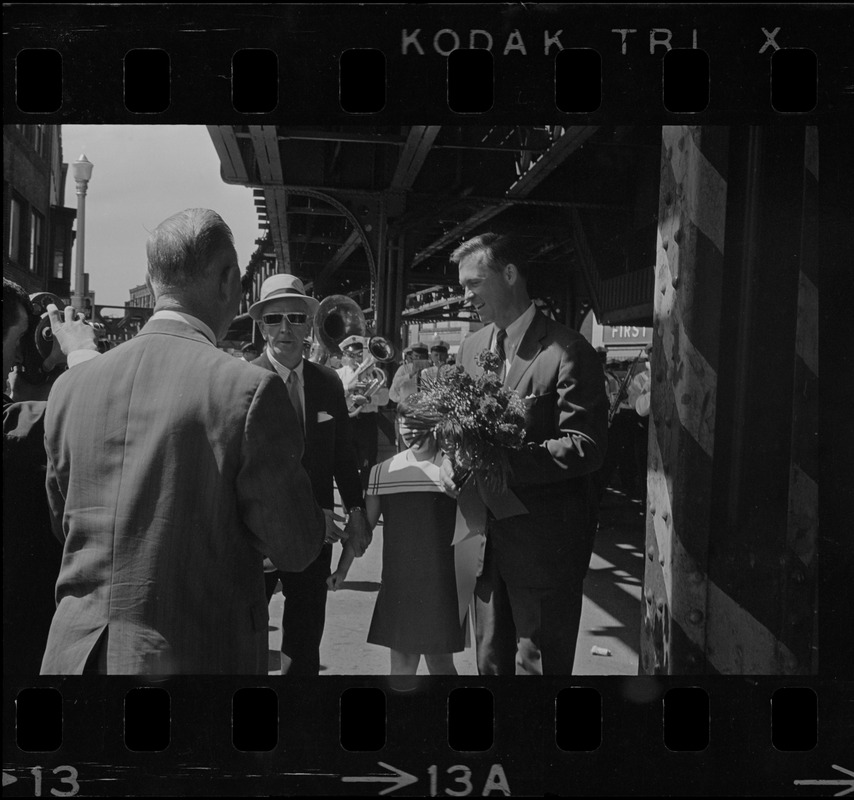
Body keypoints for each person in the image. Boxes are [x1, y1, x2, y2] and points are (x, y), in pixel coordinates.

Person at [40, 208, 326, 675]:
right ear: (229, 280)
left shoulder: (70, 388)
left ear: (153, 281)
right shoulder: (247, 390)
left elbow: (65, 523)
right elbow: (295, 545)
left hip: (76, 657)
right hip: (195, 656)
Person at [440, 233, 608, 676]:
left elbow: (585, 447)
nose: (465, 297)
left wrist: (499, 464)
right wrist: (451, 457)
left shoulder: (569, 349)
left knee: (540, 670)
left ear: (510, 274)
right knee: (490, 665)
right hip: (485, 545)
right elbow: (460, 428)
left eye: (473, 283)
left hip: (545, 551)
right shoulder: (471, 348)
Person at [247, 273, 371, 676]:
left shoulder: (328, 381)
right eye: (274, 319)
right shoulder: (241, 382)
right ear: (261, 325)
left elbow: (342, 454)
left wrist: (356, 510)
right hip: (257, 536)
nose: (285, 329)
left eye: (296, 318)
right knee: (245, 644)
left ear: (309, 325)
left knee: (304, 645)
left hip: (316, 538)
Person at [3, 280, 100, 676]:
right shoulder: (16, 424)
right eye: (19, 338)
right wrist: (82, 352)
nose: (16, 357)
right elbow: (92, 413)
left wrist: (41, 366)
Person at [328, 396, 464, 675]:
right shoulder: (383, 472)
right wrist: (342, 570)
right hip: (400, 581)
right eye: (406, 424)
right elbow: (364, 530)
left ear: (437, 426)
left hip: (441, 581)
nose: (412, 432)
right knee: (402, 666)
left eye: (420, 424)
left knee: (440, 663)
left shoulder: (452, 470)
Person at [336, 335, 390, 490]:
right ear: (345, 356)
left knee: (368, 461)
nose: (355, 359)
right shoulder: (339, 374)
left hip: (367, 421)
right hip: (347, 422)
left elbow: (385, 399)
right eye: (351, 355)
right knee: (346, 461)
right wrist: (349, 389)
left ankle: (366, 497)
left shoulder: (376, 374)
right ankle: (349, 503)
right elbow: (334, 395)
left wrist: (367, 399)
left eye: (359, 355)